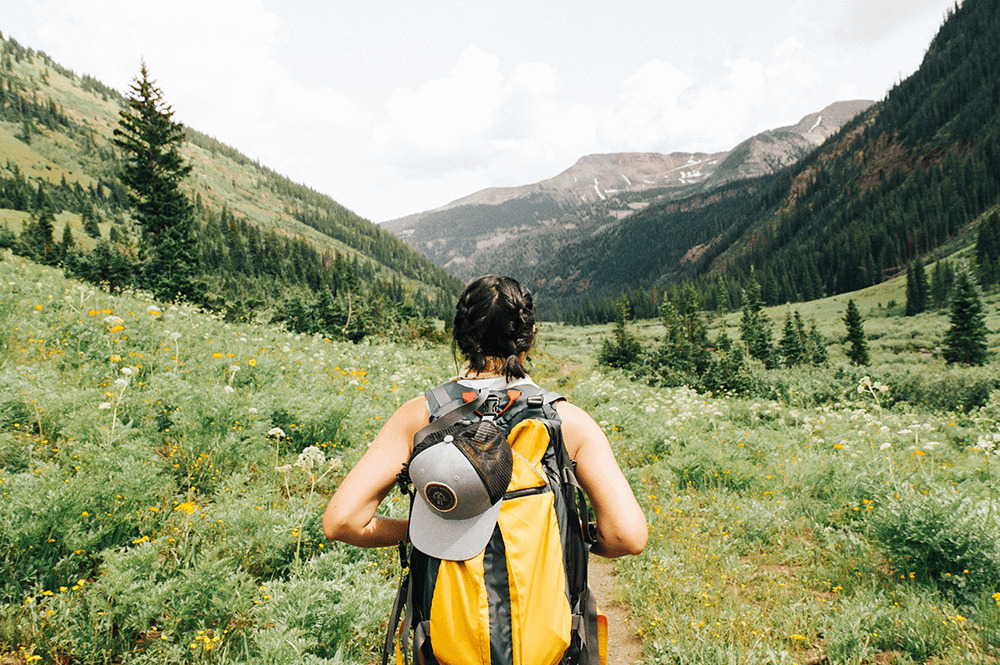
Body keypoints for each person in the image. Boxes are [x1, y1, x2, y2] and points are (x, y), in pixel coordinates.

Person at [323, 274, 647, 659]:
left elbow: (342, 521)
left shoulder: (420, 417)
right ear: (529, 337)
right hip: (546, 648)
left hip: (449, 646)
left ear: (460, 336)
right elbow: (629, 536)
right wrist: (574, 535)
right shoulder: (568, 422)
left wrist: (420, 532)